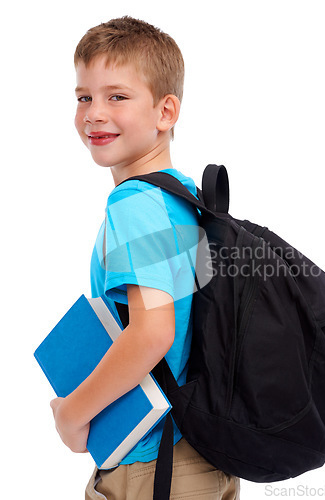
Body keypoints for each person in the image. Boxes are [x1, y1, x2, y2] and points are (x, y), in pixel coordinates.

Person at [49, 16, 240, 499]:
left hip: (152, 463)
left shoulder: (133, 205)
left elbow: (153, 331)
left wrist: (72, 415)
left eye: (117, 96)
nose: (93, 112)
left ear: (165, 111)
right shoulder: (185, 197)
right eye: (83, 97)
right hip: (204, 455)